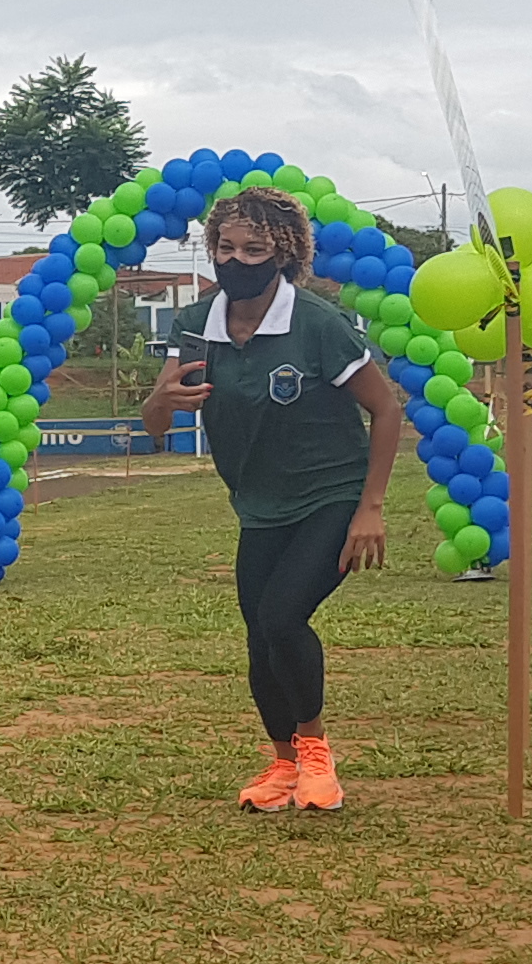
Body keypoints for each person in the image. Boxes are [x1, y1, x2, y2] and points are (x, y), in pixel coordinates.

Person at [139, 185, 405, 813]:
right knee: (258, 635)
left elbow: (387, 408)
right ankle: (283, 765)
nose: (237, 260)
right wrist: (158, 404)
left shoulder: (316, 322)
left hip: (331, 496)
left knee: (283, 618)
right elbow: (155, 425)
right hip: (258, 503)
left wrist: (371, 506)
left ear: (284, 253)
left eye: (254, 248)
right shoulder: (194, 326)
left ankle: (315, 753)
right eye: (225, 247)